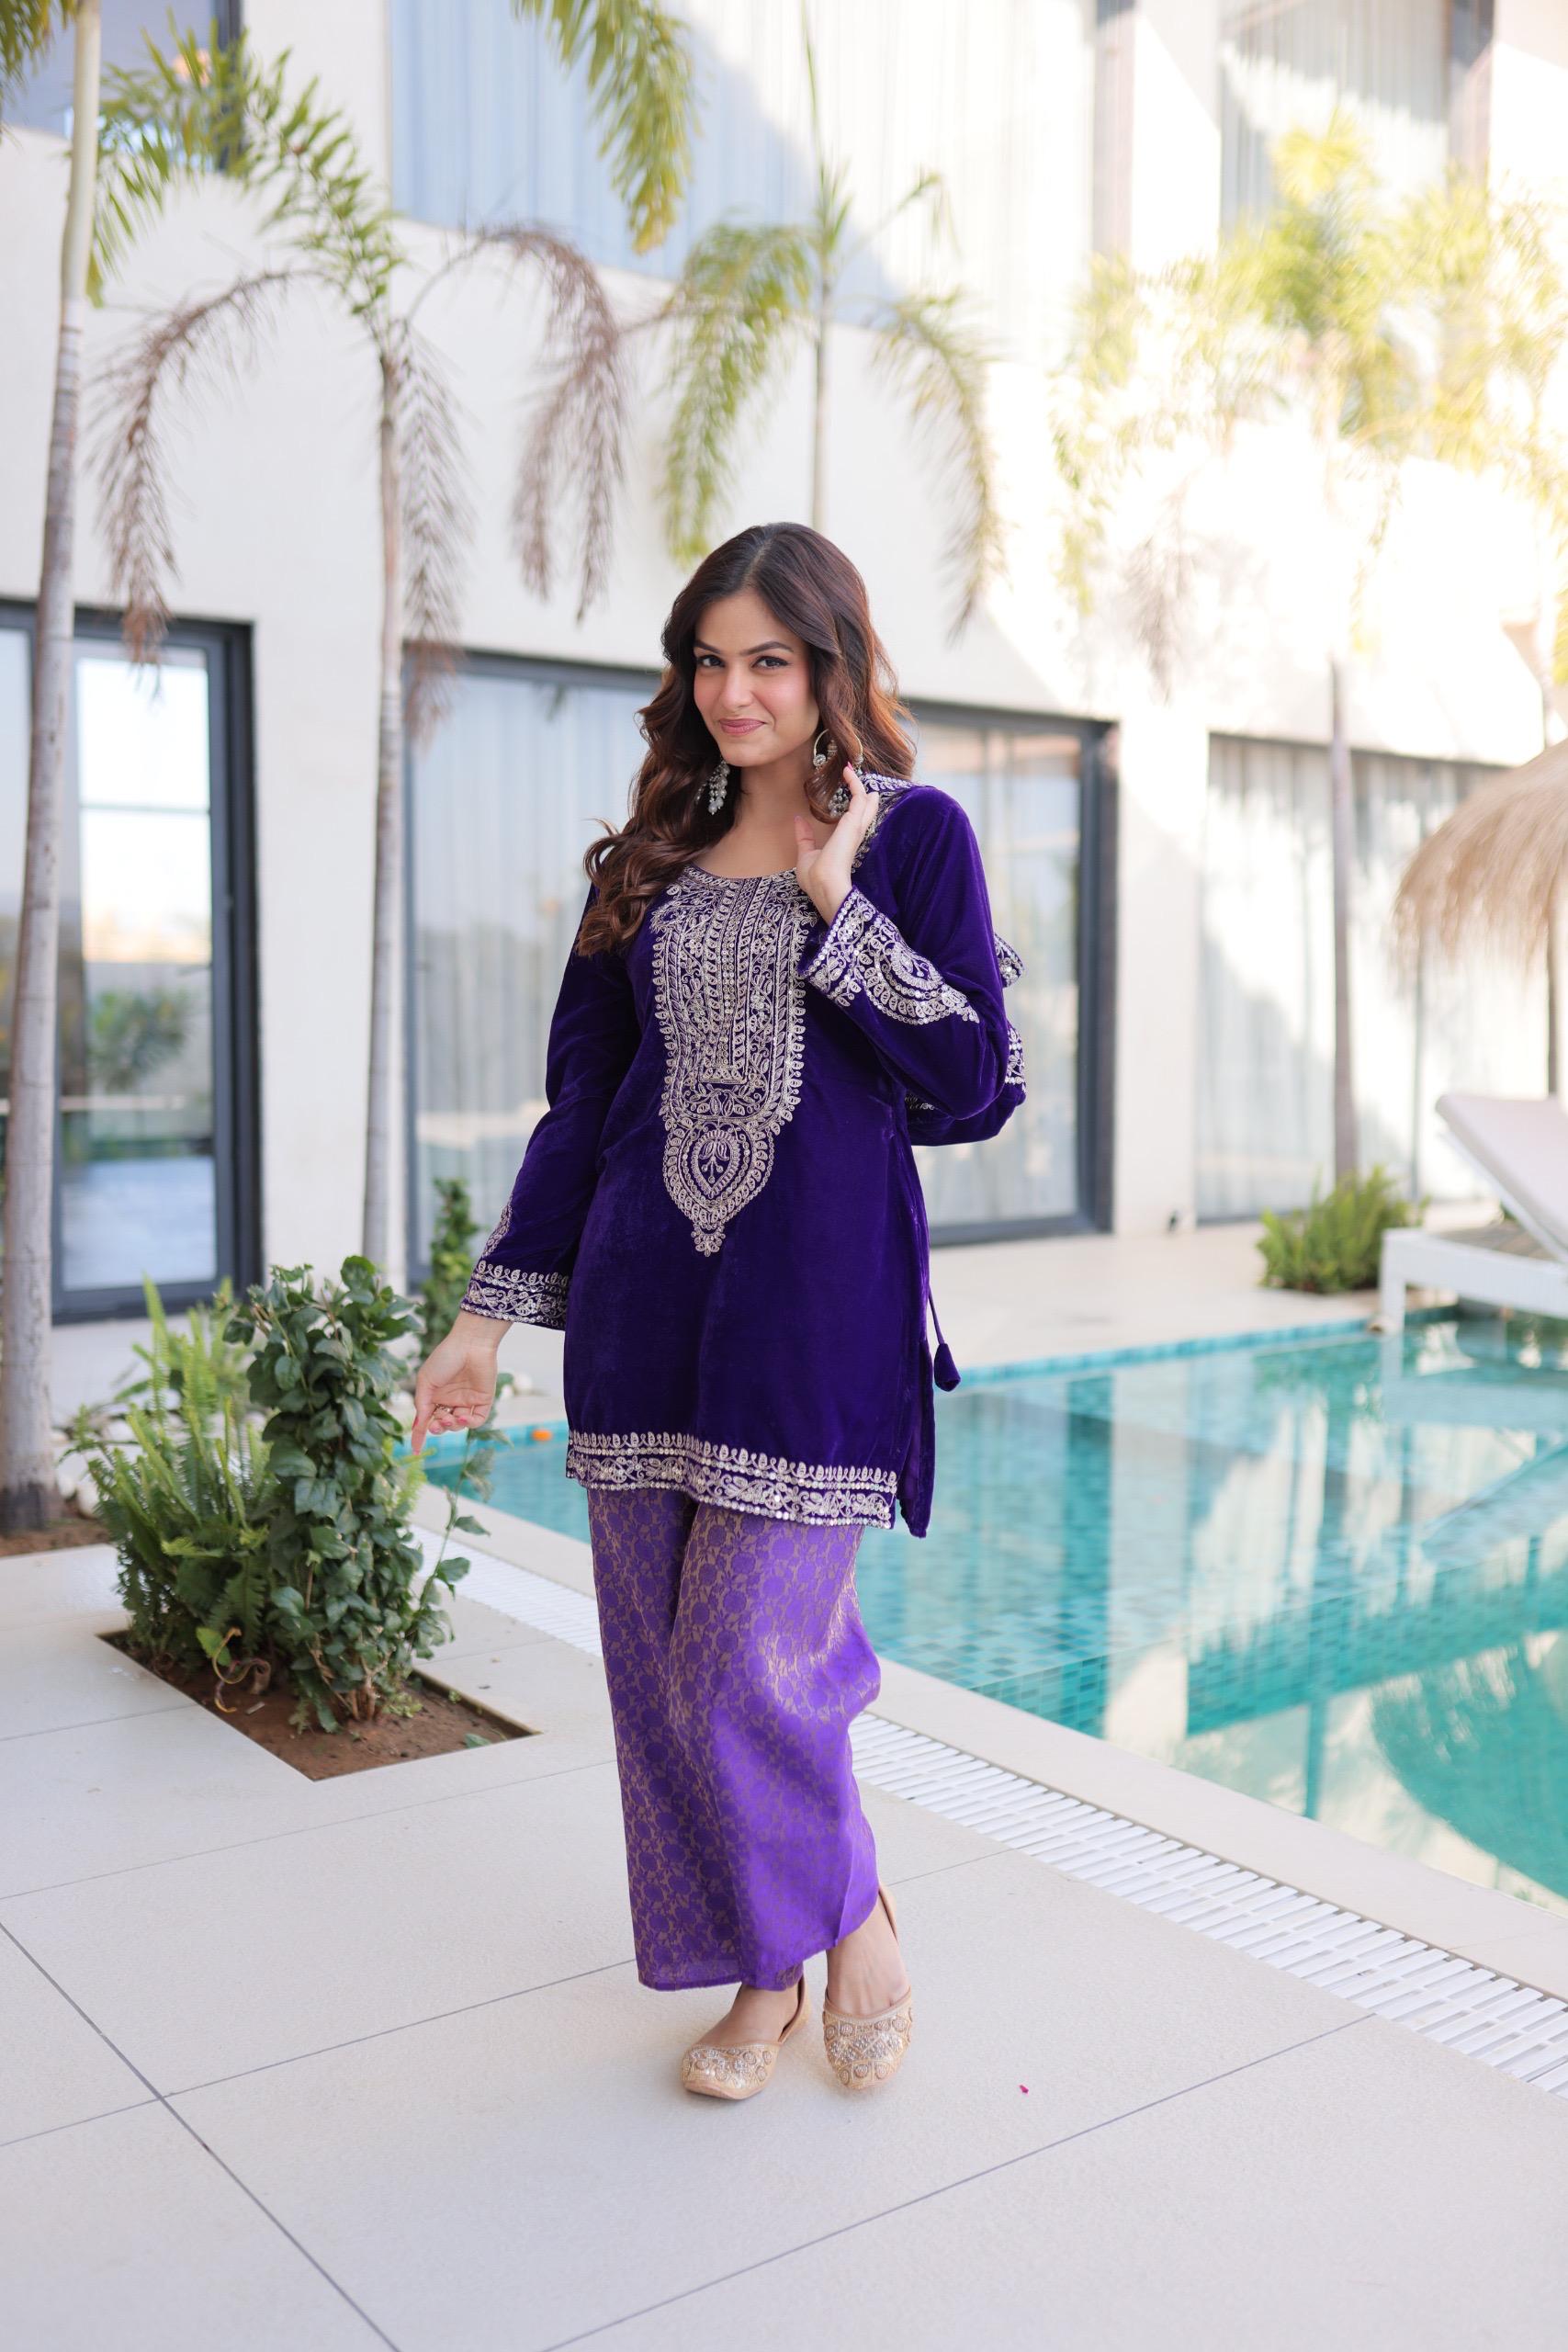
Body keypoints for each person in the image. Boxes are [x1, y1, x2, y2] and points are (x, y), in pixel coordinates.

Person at [412, 520, 1026, 2100]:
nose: (735, 692)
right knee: (659, 1682)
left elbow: (975, 1084)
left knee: (742, 1669)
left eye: (769, 661)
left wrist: (837, 903)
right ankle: (768, 1971)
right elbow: (582, 1109)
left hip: (813, 1330)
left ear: (832, 669)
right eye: (710, 660)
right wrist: (483, 1322)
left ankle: (853, 1913)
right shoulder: (647, 867)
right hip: (641, 1317)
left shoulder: (912, 839)